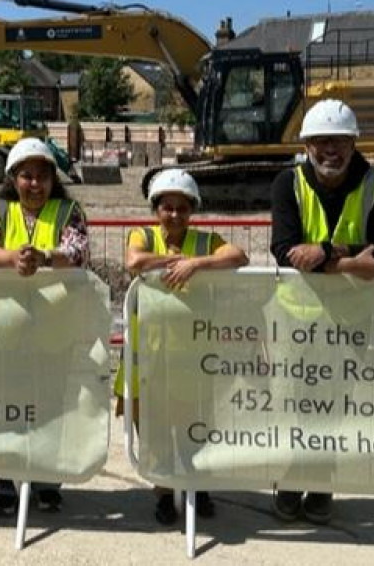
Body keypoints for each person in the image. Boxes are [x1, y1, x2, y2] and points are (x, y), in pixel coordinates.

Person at [269, 99, 374, 525]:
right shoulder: (287, 184)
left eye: (340, 141)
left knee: (334, 404)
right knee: (294, 401)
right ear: (307, 144)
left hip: (350, 318)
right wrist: (351, 263)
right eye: (322, 141)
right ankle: (292, 475)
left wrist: (327, 252)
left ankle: (322, 481)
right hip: (297, 319)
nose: (332, 150)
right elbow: (284, 249)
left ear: (353, 143)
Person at [115, 169, 248, 525]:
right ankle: (162, 491)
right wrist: (175, 262)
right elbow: (134, 261)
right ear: (156, 209)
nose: (175, 215)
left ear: (192, 210)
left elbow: (238, 257)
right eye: (167, 207)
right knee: (154, 427)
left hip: (193, 354)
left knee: (195, 422)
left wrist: (198, 264)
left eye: (182, 208)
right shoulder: (142, 235)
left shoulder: (207, 242)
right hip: (148, 352)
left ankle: (195, 485)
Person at [0, 137, 90, 515]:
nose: (35, 184)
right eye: (26, 176)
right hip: (6, 327)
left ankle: (46, 479)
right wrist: (13, 259)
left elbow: (78, 251)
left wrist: (45, 258)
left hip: (55, 327)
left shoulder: (69, 210)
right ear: (13, 178)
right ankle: (6, 479)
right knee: (7, 402)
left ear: (54, 179)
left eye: (42, 176)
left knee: (50, 403)